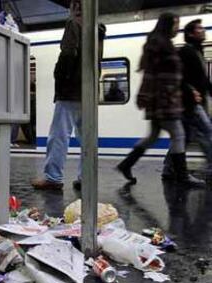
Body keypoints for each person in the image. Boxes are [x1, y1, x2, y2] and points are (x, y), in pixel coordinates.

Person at [116, 13, 205, 187]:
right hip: (164, 100)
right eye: (175, 24)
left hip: (162, 99)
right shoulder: (159, 44)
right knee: (179, 135)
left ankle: (126, 165)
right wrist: (147, 96)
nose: (177, 28)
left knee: (152, 137)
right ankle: (183, 176)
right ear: (167, 25)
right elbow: (151, 73)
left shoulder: (161, 43)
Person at [31, 0, 106, 191]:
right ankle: (86, 177)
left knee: (59, 135)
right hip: (88, 92)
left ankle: (53, 177)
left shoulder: (73, 24)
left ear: (75, 7)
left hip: (70, 90)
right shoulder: (98, 29)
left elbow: (68, 53)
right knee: (88, 137)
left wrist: (60, 76)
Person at [162, 19, 212, 180]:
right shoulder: (185, 52)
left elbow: (203, 79)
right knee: (208, 131)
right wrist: (191, 91)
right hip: (189, 103)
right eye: (199, 28)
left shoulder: (197, 52)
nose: (203, 30)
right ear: (190, 34)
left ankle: (169, 168)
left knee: (183, 137)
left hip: (193, 103)